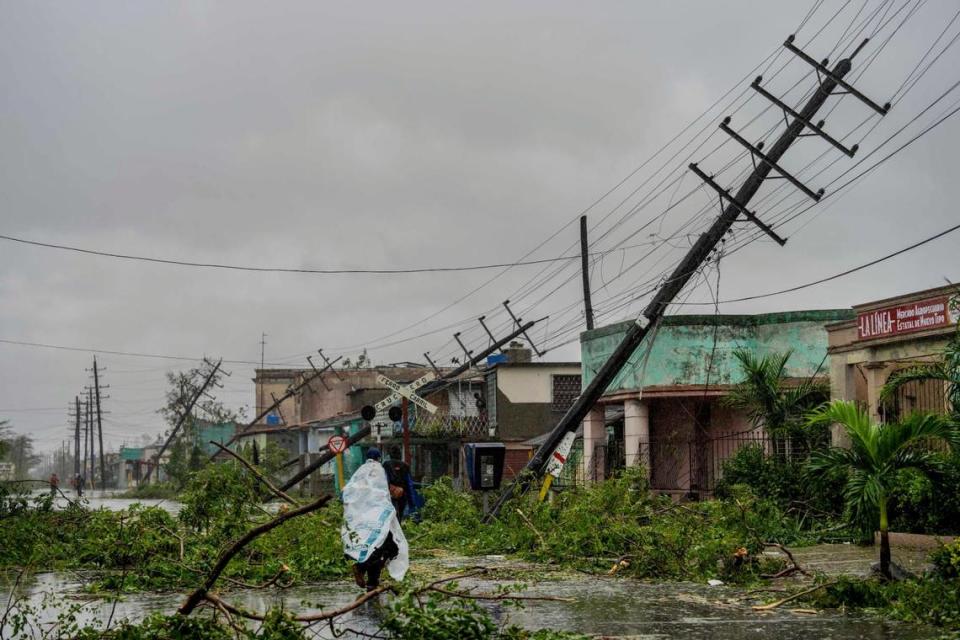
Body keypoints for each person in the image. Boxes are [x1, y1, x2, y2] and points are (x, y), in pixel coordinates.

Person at [341, 448, 409, 592]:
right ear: (379, 457)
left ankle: (361, 569)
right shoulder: (381, 471)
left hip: (362, 518)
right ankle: (371, 579)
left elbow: (348, 492)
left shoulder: (359, 472)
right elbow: (389, 492)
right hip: (378, 517)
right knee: (387, 546)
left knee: (364, 544)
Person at [382, 445, 414, 522]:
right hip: (402, 494)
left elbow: (384, 480)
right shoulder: (405, 466)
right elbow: (409, 484)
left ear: (390, 455)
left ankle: (391, 532)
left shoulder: (386, 464)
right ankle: (398, 530)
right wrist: (411, 503)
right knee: (400, 514)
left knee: (390, 517)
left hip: (389, 495)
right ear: (400, 454)